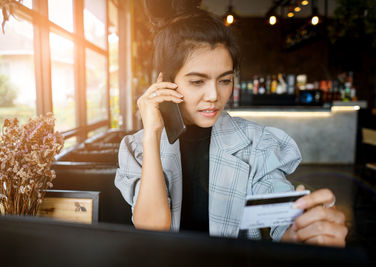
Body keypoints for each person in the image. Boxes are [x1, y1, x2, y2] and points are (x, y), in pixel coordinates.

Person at [115, 0, 348, 247]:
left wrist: (301, 230)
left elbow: (280, 206)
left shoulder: (257, 143)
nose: (214, 95)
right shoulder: (137, 148)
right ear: (166, 83)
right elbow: (153, 228)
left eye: (224, 80)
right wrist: (151, 134)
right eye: (197, 82)